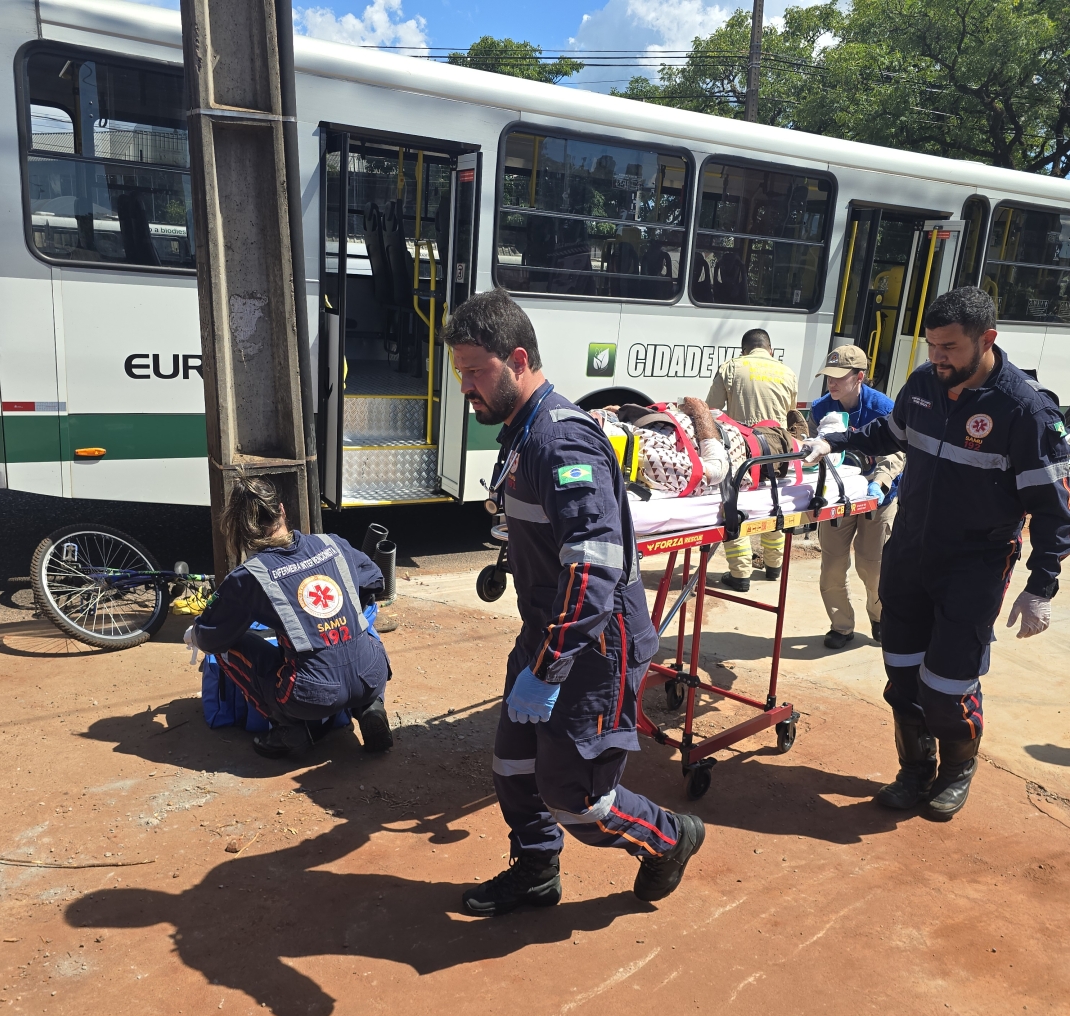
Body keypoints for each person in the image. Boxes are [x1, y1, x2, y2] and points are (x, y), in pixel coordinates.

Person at [444, 288, 704, 917]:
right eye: (460, 374)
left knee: (576, 797)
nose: (466, 389)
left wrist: (550, 670)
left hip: (592, 645)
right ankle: (536, 872)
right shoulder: (521, 429)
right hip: (547, 630)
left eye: (476, 372)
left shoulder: (561, 443)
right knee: (513, 764)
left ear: (518, 357)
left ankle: (670, 837)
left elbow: (593, 572)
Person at [803, 287, 1070, 820]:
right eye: (931, 346)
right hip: (910, 554)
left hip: (973, 567)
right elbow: (892, 432)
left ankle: (956, 769)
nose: (937, 358)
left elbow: (1055, 507)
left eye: (948, 347)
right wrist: (837, 441)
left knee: (946, 688)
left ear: (987, 339)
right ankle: (915, 769)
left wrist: (1041, 584)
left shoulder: (1025, 410)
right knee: (902, 678)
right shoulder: (924, 384)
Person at [186, 471, 393, 759]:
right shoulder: (331, 543)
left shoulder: (249, 577)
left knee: (224, 648)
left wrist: (194, 634)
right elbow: (375, 580)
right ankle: (371, 706)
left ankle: (289, 728)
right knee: (363, 627)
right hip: (372, 673)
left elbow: (210, 636)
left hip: (313, 695)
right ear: (282, 510)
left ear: (240, 528)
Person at [809, 344, 905, 649]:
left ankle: (879, 618)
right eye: (829, 376)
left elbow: (899, 451)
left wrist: (881, 481)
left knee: (872, 566)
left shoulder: (885, 408)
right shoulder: (821, 408)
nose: (832, 382)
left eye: (839, 376)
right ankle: (841, 626)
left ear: (860, 376)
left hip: (879, 498)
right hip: (838, 497)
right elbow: (813, 452)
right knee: (833, 566)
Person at [706, 328, 799, 592]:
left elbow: (711, 409)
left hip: (744, 451)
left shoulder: (732, 367)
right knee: (774, 504)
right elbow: (790, 414)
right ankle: (774, 567)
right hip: (779, 453)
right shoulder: (787, 372)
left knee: (733, 506)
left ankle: (740, 574)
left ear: (743, 350)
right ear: (770, 350)